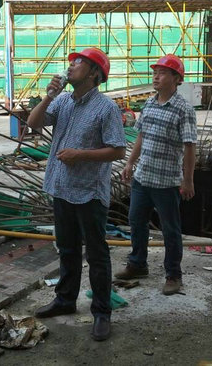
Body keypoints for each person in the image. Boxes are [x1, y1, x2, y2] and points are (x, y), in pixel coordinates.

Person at [26, 47, 126, 342]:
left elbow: (118, 150)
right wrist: (48, 96)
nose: (71, 66)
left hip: (88, 192)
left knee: (96, 254)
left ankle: (102, 312)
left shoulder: (106, 108)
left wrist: (80, 154)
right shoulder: (63, 101)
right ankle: (65, 300)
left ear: (94, 73)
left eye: (79, 62)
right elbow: (33, 123)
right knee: (67, 248)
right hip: (61, 188)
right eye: (72, 62)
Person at [115, 54, 197, 296]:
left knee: (170, 230)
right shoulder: (149, 104)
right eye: (155, 73)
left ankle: (173, 274)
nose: (156, 77)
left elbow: (189, 146)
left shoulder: (183, 109)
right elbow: (141, 135)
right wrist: (130, 163)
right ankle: (137, 264)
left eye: (162, 73)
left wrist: (188, 180)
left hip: (166, 182)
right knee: (136, 222)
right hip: (143, 178)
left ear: (177, 79)